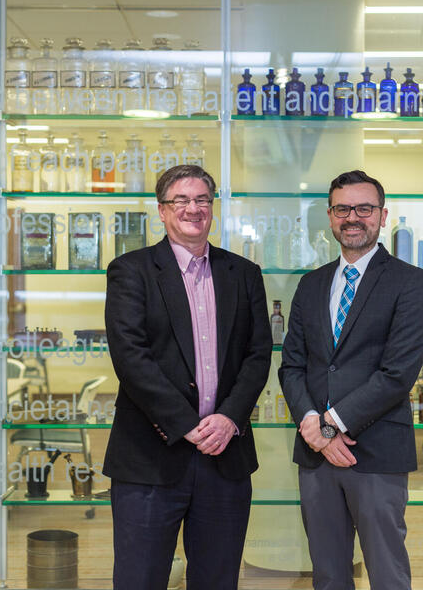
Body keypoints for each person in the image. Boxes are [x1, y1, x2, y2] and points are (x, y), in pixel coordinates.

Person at [103, 164, 272, 590]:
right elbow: (131, 357)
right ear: (161, 210)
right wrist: (188, 425)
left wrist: (229, 418)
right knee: (139, 580)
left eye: (201, 200)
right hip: (150, 457)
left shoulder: (244, 274)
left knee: (217, 580)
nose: (192, 209)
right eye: (180, 200)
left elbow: (257, 355)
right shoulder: (131, 271)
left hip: (225, 456)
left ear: (212, 208)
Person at [279, 170, 423, 590]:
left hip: (377, 450)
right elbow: (292, 365)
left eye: (364, 208)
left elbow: (397, 374)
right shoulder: (310, 285)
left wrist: (330, 426)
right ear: (331, 217)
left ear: (382, 216)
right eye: (343, 208)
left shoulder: (409, 281)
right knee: (327, 574)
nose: (353, 217)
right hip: (315, 455)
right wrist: (313, 424)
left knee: (387, 573)